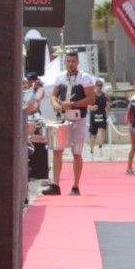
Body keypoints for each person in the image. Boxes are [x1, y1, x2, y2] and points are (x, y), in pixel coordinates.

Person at [48, 49, 92, 197]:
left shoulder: (85, 78)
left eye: (73, 61)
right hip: (63, 118)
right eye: (68, 61)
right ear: (65, 62)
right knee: (57, 150)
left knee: (77, 153)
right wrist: (55, 104)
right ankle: (56, 184)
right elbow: (53, 96)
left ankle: (75, 186)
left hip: (79, 119)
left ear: (77, 62)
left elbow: (91, 99)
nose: (70, 64)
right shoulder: (60, 77)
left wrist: (72, 104)